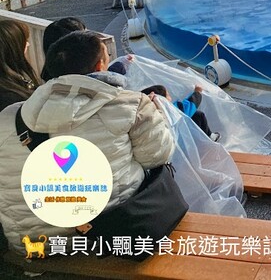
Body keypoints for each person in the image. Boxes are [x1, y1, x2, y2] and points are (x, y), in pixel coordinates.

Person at [0, 30, 175, 253]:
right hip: (113, 235)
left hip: (35, 245)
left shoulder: (9, 117)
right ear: (100, 66)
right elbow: (159, 156)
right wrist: (158, 115)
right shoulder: (131, 105)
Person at [142, 84, 220, 142]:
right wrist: (197, 92)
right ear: (161, 99)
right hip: (173, 141)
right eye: (168, 95)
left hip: (160, 139)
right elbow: (189, 106)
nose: (170, 97)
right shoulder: (169, 111)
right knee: (199, 115)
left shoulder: (145, 111)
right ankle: (209, 137)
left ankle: (206, 136)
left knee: (196, 115)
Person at [0, 20, 40, 111]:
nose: (28, 44)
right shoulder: (11, 97)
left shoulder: (9, 83)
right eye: (24, 41)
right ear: (13, 49)